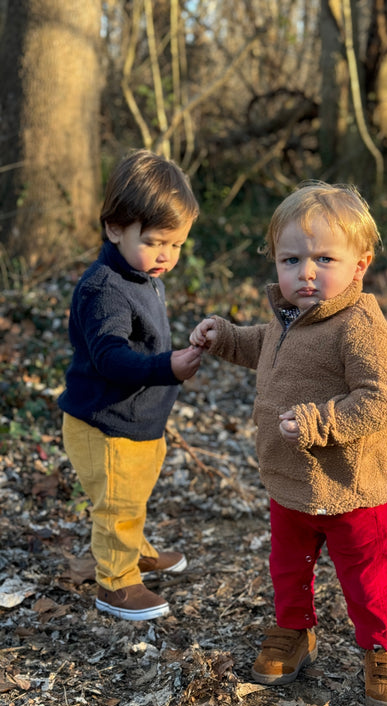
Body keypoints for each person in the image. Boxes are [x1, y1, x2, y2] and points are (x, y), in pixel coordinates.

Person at [189, 181, 387, 706]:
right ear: (275, 263)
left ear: (360, 264)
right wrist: (223, 338)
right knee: (288, 567)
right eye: (291, 259)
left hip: (352, 487)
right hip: (289, 482)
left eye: (324, 258)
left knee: (368, 573)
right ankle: (294, 630)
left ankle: (383, 649)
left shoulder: (358, 325)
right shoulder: (285, 318)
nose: (305, 272)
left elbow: (385, 398)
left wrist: (320, 422)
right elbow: (263, 349)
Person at [58, 149, 202, 621]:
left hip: (138, 422)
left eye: (177, 245)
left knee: (133, 491)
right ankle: (116, 584)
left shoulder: (141, 273)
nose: (167, 255)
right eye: (157, 241)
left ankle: (135, 549)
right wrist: (167, 367)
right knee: (116, 501)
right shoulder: (104, 289)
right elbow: (111, 358)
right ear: (115, 228)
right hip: (105, 423)